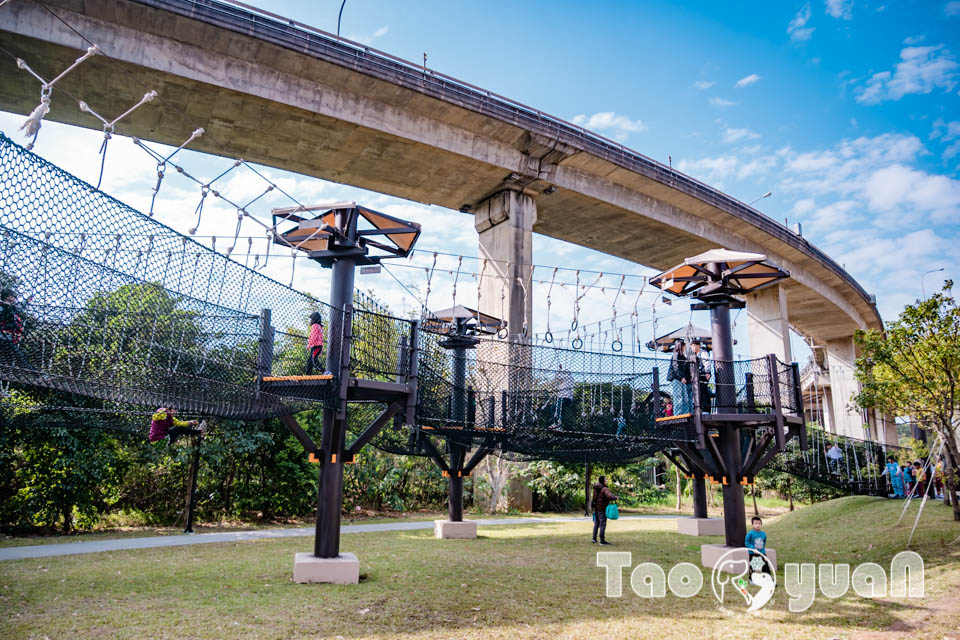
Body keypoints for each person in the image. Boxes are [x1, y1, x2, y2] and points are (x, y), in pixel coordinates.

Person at [0, 289, 30, 369]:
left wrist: (27, 301)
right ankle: (35, 374)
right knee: (19, 356)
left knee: (7, 358)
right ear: (6, 298)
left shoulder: (12, 307)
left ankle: (5, 372)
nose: (13, 300)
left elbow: (19, 307)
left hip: (8, 338)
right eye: (11, 298)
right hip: (3, 337)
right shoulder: (3, 307)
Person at [666, 338, 692, 414]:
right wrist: (681, 377)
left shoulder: (682, 356)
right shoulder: (676, 355)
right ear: (681, 346)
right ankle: (678, 414)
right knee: (678, 397)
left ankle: (685, 413)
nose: (685, 348)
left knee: (685, 398)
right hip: (677, 378)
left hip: (682, 379)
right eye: (684, 346)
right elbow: (675, 366)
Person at [591, 475, 617, 545]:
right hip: (602, 509)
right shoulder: (604, 489)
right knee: (602, 524)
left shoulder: (595, 488)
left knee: (596, 524)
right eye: (606, 480)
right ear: (603, 481)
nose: (607, 481)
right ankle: (602, 540)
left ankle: (594, 538)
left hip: (596, 509)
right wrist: (615, 497)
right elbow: (609, 496)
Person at [551, 363, 575, 431]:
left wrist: (559, 369)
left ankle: (558, 423)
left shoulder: (568, 377)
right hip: (566, 398)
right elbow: (558, 380)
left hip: (564, 397)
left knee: (557, 409)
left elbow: (557, 377)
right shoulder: (568, 380)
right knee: (553, 408)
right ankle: (558, 425)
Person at [690, 341, 712, 411]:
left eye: (694, 346)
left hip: (702, 375)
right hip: (696, 376)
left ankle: (706, 409)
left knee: (703, 392)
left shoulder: (703, 353)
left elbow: (707, 362)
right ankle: (699, 409)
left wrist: (707, 372)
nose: (693, 348)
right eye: (692, 346)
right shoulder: (694, 354)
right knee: (697, 393)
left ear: (698, 346)